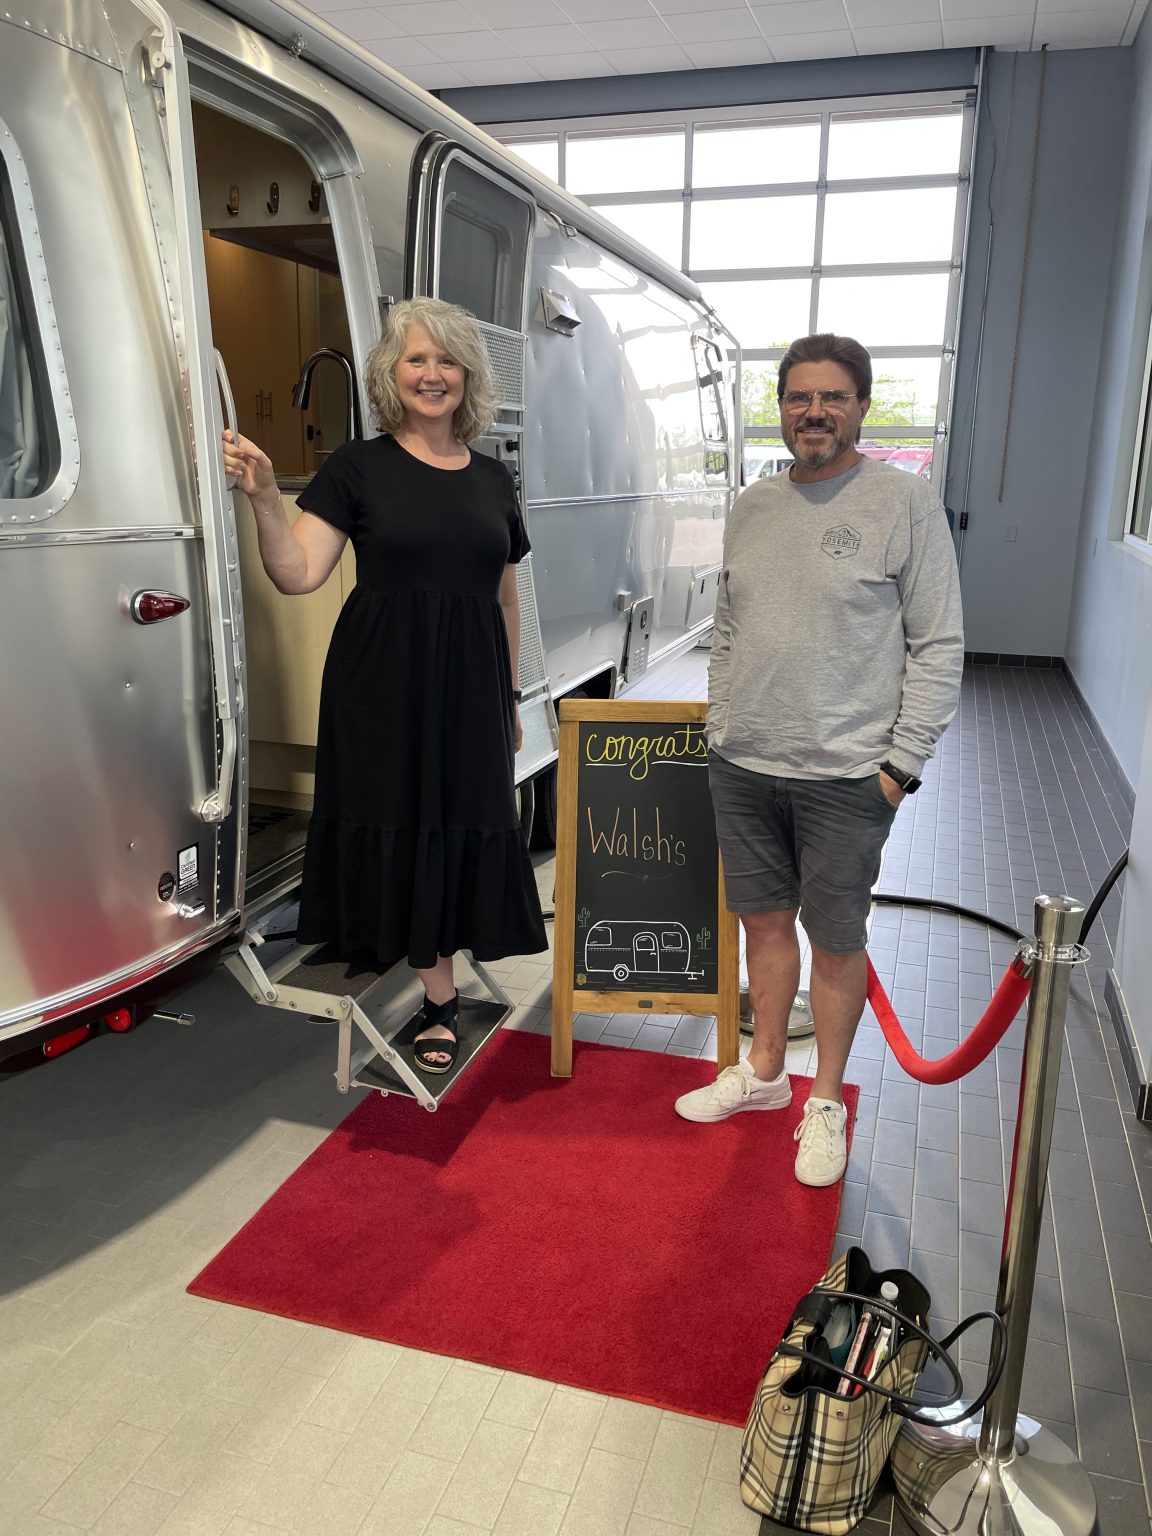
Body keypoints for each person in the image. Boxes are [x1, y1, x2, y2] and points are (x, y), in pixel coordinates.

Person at [222, 297, 548, 1074]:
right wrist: (265, 498)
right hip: (380, 683)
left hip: (471, 684)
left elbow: (505, 599)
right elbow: (298, 573)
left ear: (468, 377)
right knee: (397, 815)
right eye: (416, 359)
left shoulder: (494, 478)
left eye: (447, 361)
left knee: (459, 817)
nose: (432, 374)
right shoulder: (356, 466)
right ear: (390, 374)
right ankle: (438, 996)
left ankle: (435, 972)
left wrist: (508, 698)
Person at [674, 333, 963, 1185]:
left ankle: (826, 1101)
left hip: (847, 775)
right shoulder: (753, 505)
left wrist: (900, 767)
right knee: (763, 925)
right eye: (799, 397)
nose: (815, 412)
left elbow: (938, 644)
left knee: (836, 942)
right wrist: (723, 722)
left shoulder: (903, 503)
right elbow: (729, 625)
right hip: (744, 761)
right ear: (781, 408)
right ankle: (766, 1072)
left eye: (833, 396)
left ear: (862, 406)